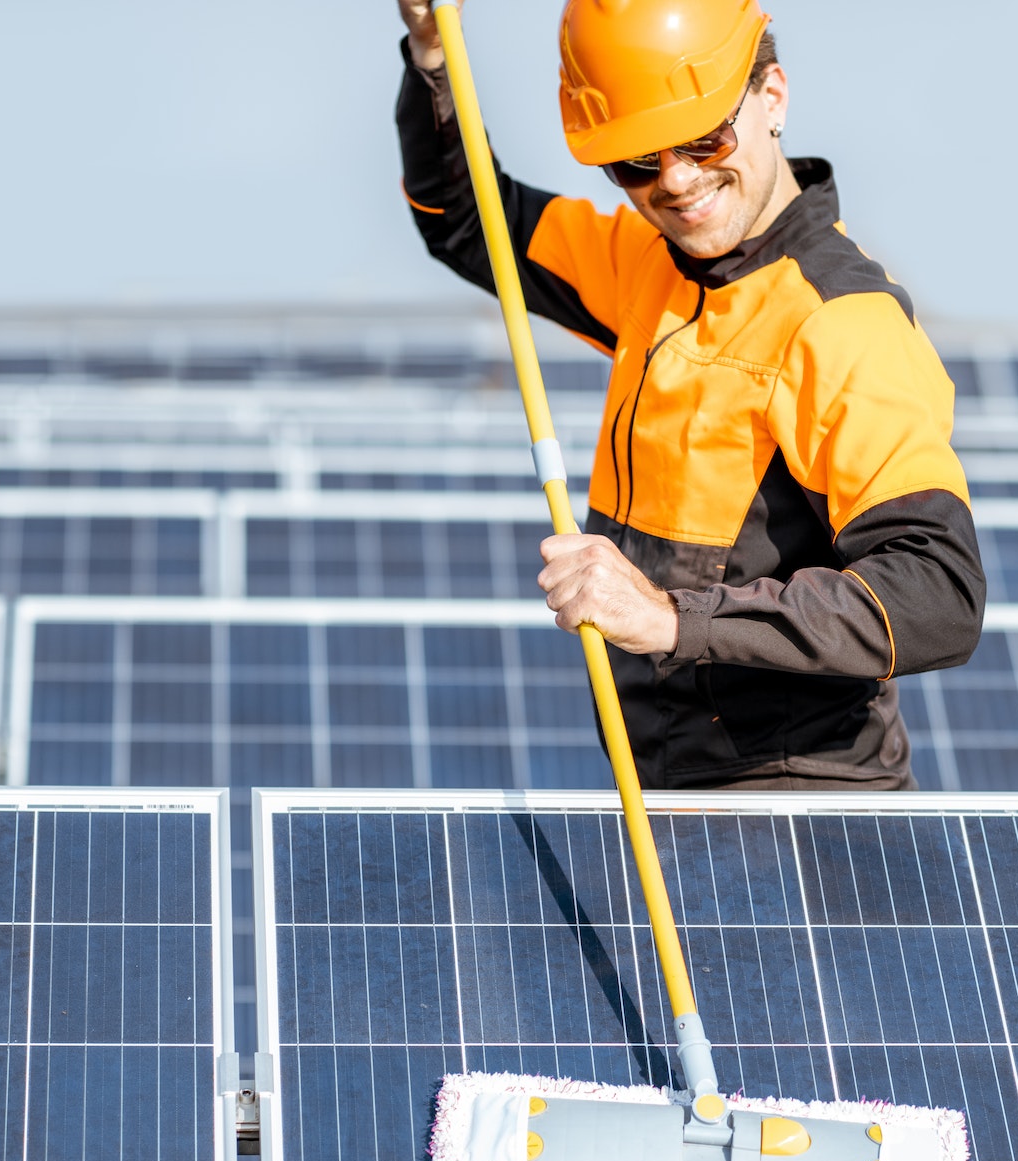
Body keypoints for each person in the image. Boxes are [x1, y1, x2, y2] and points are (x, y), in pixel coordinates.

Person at [395, 0, 985, 789]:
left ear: (771, 97)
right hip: (669, 792)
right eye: (637, 160)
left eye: (706, 138)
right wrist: (435, 54)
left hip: (803, 806)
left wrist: (671, 618)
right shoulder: (653, 267)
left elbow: (937, 591)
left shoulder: (843, 323)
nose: (676, 181)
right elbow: (470, 223)